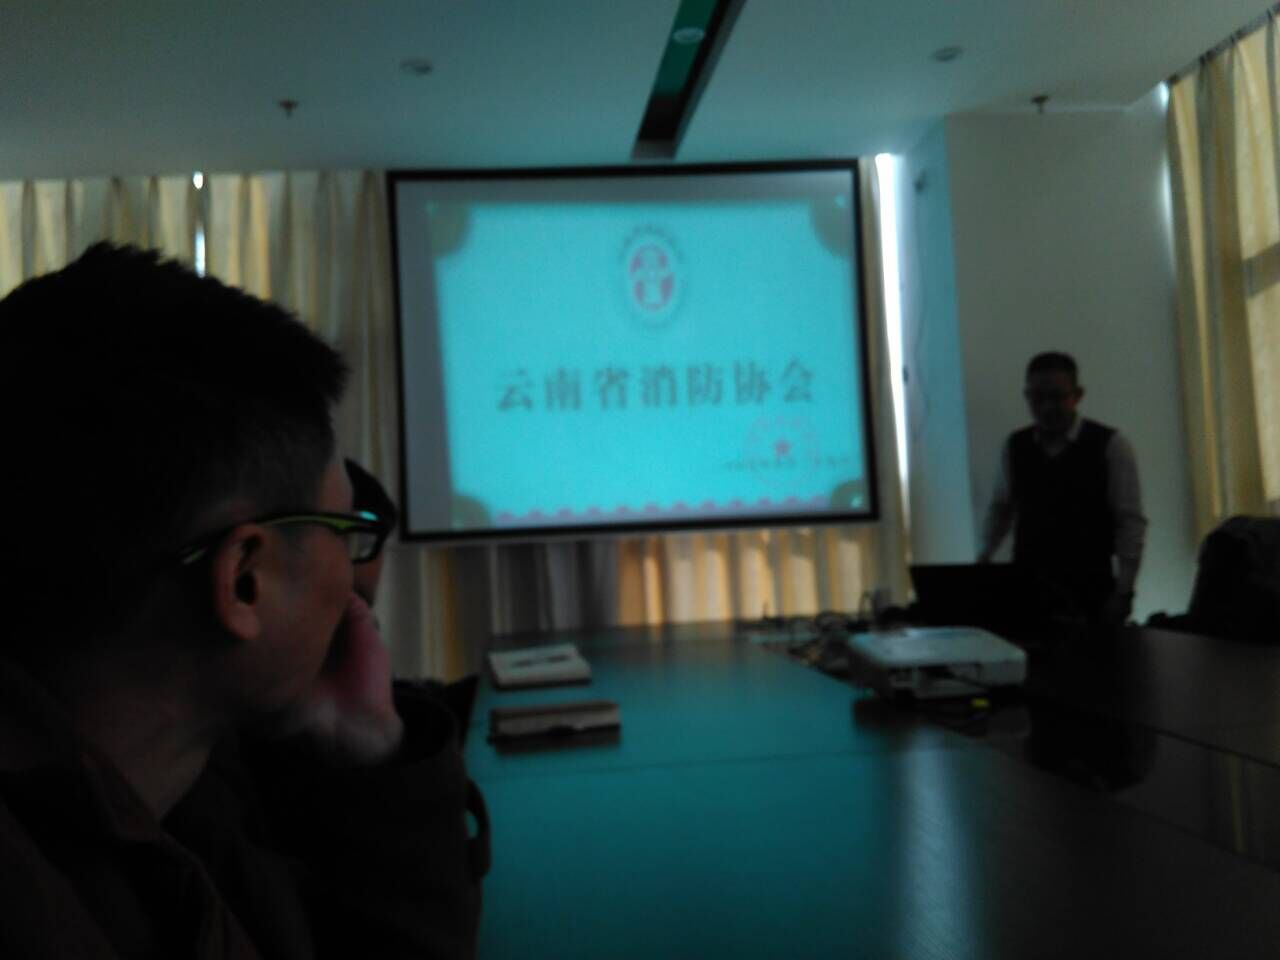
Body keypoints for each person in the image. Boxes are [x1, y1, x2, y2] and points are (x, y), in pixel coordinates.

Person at [0, 244, 487, 958]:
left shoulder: (190, 798)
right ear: (245, 579)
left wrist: (370, 753)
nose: (352, 584)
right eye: (341, 530)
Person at [978, 352, 1147, 627]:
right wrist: (982, 560)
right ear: (1027, 396)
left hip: (1090, 590)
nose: (1046, 407)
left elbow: (1129, 522)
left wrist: (1124, 591)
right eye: (1038, 398)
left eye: (1056, 397)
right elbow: (1000, 510)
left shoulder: (1111, 445)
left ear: (1077, 396)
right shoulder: (1015, 446)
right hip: (1028, 589)